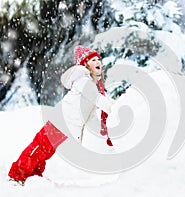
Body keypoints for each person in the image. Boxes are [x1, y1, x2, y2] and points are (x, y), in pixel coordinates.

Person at [8, 45, 115, 185]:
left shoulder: (92, 86)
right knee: (39, 148)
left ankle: (33, 176)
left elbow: (91, 117)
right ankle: (17, 175)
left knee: (45, 152)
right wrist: (114, 108)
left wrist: (104, 132)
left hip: (65, 127)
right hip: (59, 122)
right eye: (93, 60)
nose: (98, 62)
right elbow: (97, 99)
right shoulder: (82, 81)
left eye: (98, 59)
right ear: (85, 65)